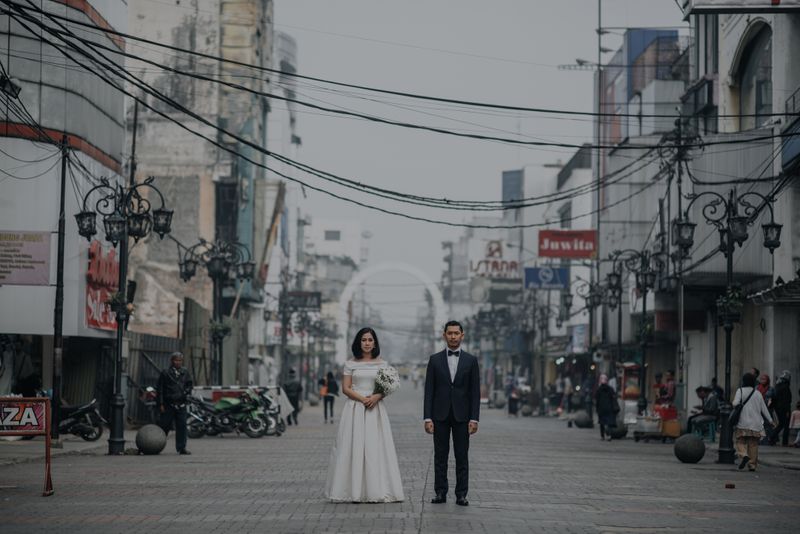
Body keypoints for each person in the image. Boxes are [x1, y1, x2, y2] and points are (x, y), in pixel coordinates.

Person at [325, 327, 404, 502]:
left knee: (375, 446)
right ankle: (352, 491)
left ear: (374, 342)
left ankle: (377, 489)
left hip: (375, 409)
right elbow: (345, 388)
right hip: (355, 409)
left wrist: (376, 396)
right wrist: (363, 399)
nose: (367, 343)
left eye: (370, 340)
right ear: (358, 343)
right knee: (352, 446)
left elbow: (387, 387)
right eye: (363, 340)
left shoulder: (383, 364)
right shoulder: (350, 364)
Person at [424, 320, 480, 507]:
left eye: (457, 333)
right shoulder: (434, 360)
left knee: (461, 456)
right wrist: (427, 417)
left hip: (462, 417)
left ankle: (461, 494)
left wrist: (474, 418)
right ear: (444, 335)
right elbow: (429, 391)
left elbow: (475, 392)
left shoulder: (471, 361)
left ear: (462, 335)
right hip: (439, 415)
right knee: (440, 456)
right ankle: (440, 492)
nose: (453, 336)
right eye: (450, 333)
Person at [732, 372, 775, 472]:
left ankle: (744, 455)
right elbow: (764, 409)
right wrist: (771, 420)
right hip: (756, 424)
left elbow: (735, 403)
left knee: (740, 441)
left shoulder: (740, 391)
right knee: (753, 445)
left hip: (743, 422)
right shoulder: (758, 393)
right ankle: (752, 465)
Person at [156, 352, 193, 455]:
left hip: (181, 404)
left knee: (182, 426)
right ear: (172, 361)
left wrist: (186, 392)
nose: (178, 362)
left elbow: (189, 384)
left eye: (180, 360)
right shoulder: (165, 373)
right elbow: (160, 389)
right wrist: (161, 404)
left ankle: (181, 448)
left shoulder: (185, 372)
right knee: (164, 426)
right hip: (169, 404)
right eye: (176, 360)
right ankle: (156, 445)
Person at [770, 371, 792, 446]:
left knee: (781, 424)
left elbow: (774, 398)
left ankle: (772, 437)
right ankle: (783, 441)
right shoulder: (785, 387)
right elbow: (787, 400)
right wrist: (787, 410)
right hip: (784, 408)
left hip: (778, 408)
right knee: (785, 425)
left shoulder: (777, 386)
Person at [594, 374, 618, 441]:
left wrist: (597, 408)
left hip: (601, 408)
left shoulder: (599, 390)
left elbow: (597, 400)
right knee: (609, 423)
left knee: (602, 423)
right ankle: (609, 435)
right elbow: (613, 398)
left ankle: (602, 436)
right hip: (609, 408)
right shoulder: (610, 389)